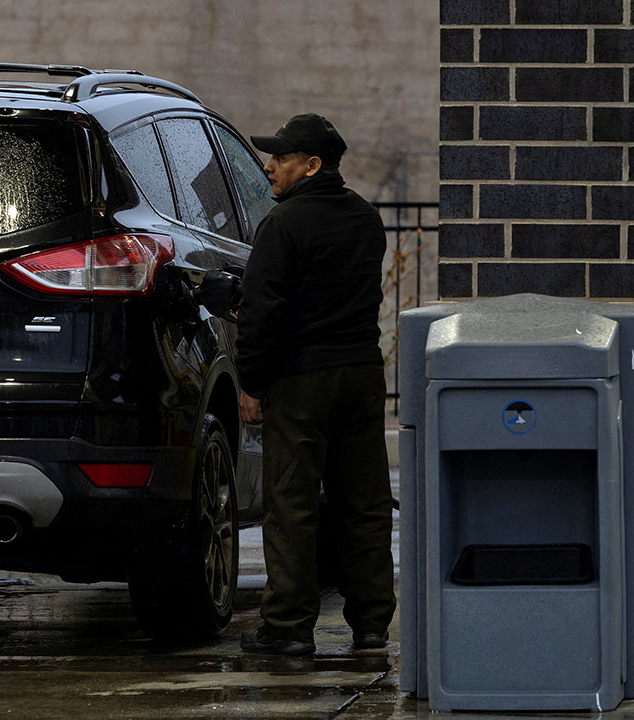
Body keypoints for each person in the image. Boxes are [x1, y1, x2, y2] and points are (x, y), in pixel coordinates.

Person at [236, 113, 394, 656]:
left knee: (292, 503)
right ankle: (372, 625)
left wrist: (252, 383)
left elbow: (262, 311)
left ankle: (287, 629)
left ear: (311, 165)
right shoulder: (366, 220)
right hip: (361, 373)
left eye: (280, 158)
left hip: (301, 379)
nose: (269, 166)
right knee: (365, 501)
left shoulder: (283, 225)